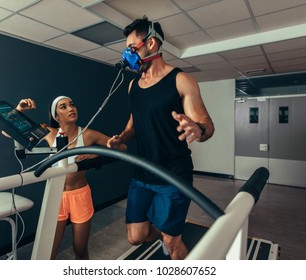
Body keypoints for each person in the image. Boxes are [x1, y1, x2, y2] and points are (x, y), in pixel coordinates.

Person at [107, 16, 214, 260]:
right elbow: (134, 122)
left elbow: (207, 125)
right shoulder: (133, 86)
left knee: (171, 242)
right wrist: (122, 137)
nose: (128, 55)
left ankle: (172, 238)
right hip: (143, 174)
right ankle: (167, 231)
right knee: (135, 237)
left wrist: (198, 129)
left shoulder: (180, 80)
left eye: (132, 48)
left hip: (173, 175)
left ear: (152, 44)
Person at [15, 96, 126, 260]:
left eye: (72, 105)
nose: (70, 109)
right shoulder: (48, 132)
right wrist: (19, 110)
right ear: (56, 116)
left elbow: (122, 147)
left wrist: (95, 153)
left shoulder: (88, 134)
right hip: (56, 195)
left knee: (80, 250)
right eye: (63, 107)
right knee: (48, 253)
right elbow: (8, 131)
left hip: (80, 195)